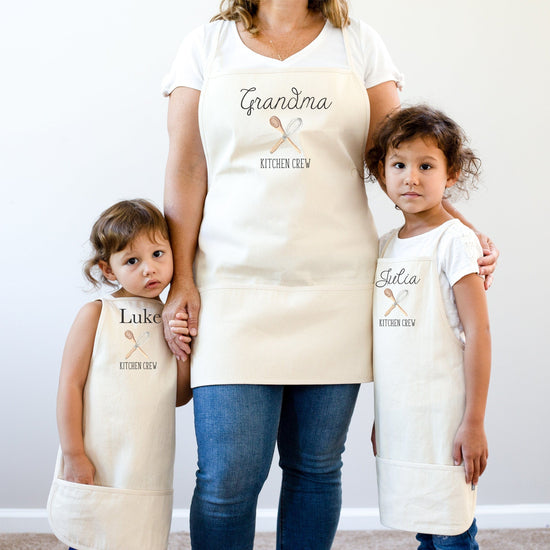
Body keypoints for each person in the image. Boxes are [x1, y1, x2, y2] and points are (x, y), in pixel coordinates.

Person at [161, 1, 498, 548]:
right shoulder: (205, 46)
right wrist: (182, 280)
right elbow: (185, 166)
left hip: (338, 287)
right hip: (230, 284)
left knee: (315, 469)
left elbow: (398, 155)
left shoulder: (358, 43)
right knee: (227, 480)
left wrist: (461, 234)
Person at [366, 105, 491, 550]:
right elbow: (392, 342)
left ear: (451, 174)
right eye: (398, 165)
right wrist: (385, 416)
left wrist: (473, 422)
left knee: (451, 525)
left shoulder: (455, 240)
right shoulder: (384, 246)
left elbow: (478, 334)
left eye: (426, 166)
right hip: (404, 415)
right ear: (382, 175)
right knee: (425, 519)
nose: (411, 178)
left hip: (445, 415)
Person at [47, 199, 192, 550]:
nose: (149, 269)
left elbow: (177, 397)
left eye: (158, 253)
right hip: (98, 456)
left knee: (137, 536)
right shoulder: (96, 314)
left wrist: (183, 350)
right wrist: (74, 453)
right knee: (91, 533)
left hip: (145, 462)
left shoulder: (171, 318)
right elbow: (70, 385)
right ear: (108, 270)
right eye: (132, 261)